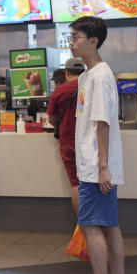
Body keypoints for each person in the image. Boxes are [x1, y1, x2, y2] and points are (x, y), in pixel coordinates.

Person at [65, 17, 130, 274]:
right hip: (94, 164)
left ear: (94, 40)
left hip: (96, 167)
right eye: (71, 36)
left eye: (76, 36)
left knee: (93, 227)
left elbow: (103, 123)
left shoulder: (101, 75)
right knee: (109, 226)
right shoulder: (87, 76)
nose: (71, 41)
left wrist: (103, 167)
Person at [47, 57, 85, 214]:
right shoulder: (91, 87)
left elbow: (51, 119)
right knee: (93, 183)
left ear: (66, 73)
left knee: (76, 184)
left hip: (68, 142)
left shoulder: (58, 92)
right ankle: (98, 226)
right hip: (89, 142)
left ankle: (83, 227)